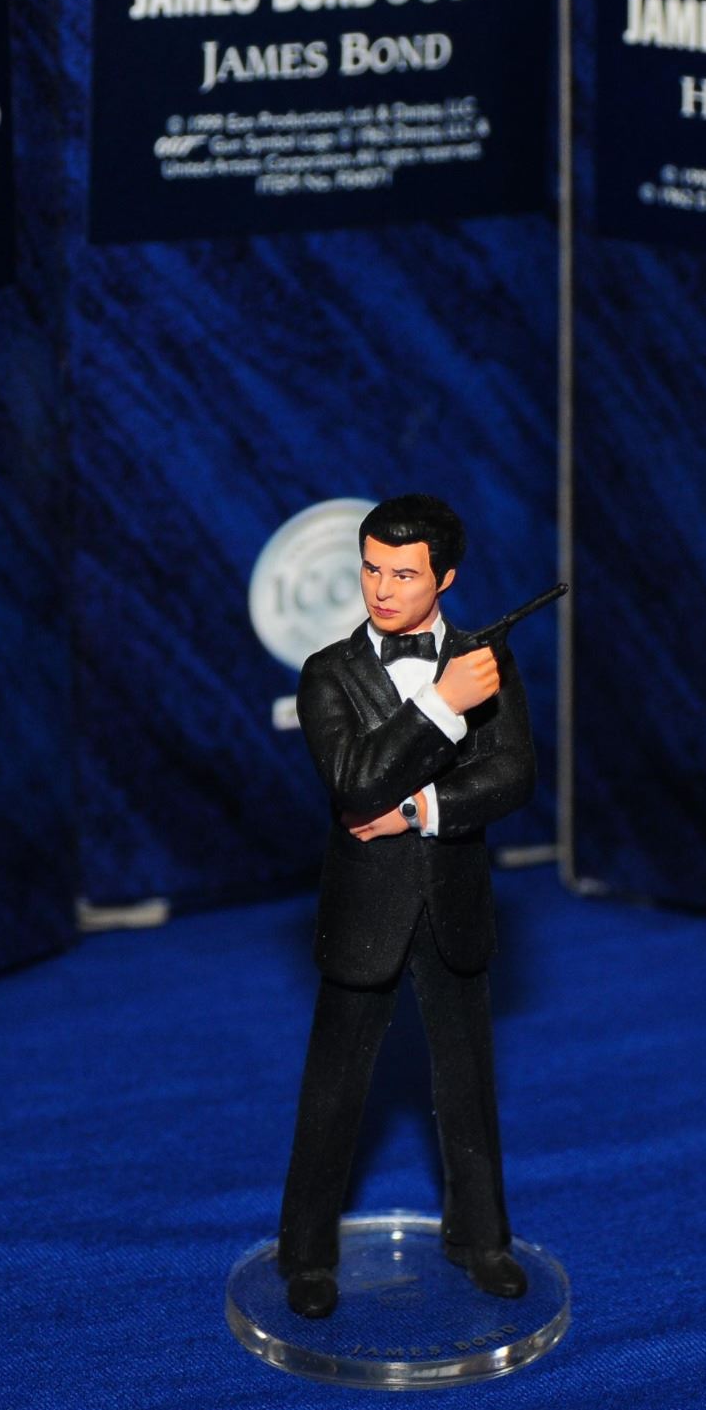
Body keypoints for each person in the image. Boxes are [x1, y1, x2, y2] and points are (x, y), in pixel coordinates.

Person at [277, 493, 536, 1321]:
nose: (382, 590)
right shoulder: (328, 673)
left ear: (445, 578)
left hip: (453, 902)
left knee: (469, 1082)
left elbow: (512, 775)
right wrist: (440, 704)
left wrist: (422, 810)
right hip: (365, 912)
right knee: (334, 1089)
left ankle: (482, 1238)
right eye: (371, 569)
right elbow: (354, 781)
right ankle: (305, 1253)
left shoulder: (485, 660)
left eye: (404, 574)